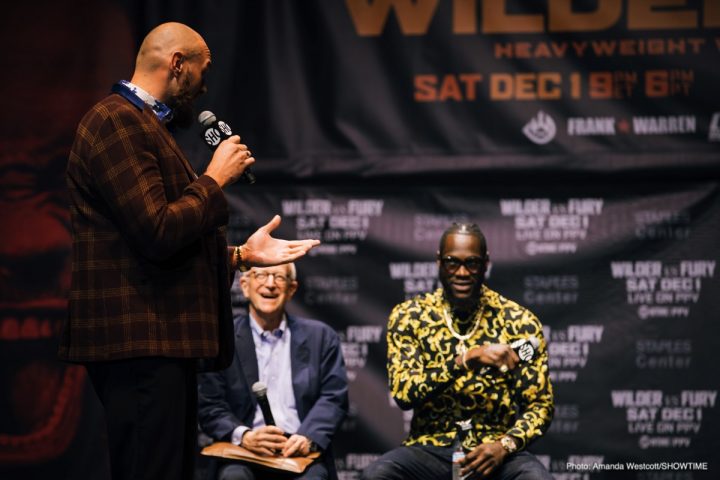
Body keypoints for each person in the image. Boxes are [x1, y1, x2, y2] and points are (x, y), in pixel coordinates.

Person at [57, 22, 319, 480]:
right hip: (138, 339)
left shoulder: (145, 126)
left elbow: (159, 244)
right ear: (178, 64)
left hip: (158, 340)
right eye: (203, 69)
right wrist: (214, 179)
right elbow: (157, 230)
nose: (204, 85)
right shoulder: (116, 120)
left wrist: (239, 256)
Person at [362, 223, 554, 480]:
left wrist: (504, 445)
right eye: (452, 262)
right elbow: (404, 392)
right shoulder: (411, 316)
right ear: (439, 262)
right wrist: (466, 359)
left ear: (485, 264)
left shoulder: (518, 321)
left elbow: (540, 406)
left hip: (494, 448)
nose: (462, 272)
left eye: (472, 263)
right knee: (378, 475)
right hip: (430, 447)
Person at [198, 263, 348, 480]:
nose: (270, 284)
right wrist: (245, 436)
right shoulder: (223, 340)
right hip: (244, 452)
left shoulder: (321, 338)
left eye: (278, 277)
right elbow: (209, 405)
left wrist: (307, 437)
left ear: (292, 289)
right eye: (260, 275)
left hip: (299, 452)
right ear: (244, 285)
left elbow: (334, 398)